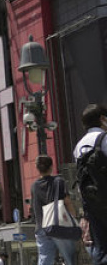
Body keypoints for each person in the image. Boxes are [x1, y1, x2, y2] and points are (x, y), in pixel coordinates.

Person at [72, 103, 107, 265]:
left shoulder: (79, 146)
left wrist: (85, 212)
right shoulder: (104, 138)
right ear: (102, 119)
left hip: (93, 203)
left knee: (100, 248)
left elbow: (81, 179)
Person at [30, 155, 76, 265]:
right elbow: (67, 201)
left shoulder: (34, 186)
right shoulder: (59, 181)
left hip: (42, 228)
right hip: (59, 226)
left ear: (37, 168)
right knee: (70, 257)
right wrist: (74, 219)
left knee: (45, 259)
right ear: (51, 167)